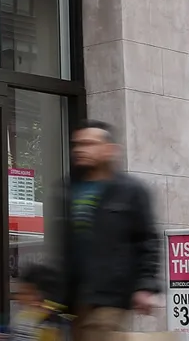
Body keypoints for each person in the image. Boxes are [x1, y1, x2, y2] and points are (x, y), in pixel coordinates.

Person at [55, 120, 161, 341]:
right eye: (78, 144)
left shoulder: (130, 191)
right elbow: (64, 247)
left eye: (89, 144)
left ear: (110, 150)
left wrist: (145, 286)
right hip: (74, 299)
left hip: (110, 296)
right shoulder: (67, 189)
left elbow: (148, 242)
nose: (81, 149)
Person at [11, 263, 68, 341]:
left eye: (25, 293)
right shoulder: (22, 318)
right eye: (19, 293)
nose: (19, 298)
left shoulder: (55, 320)